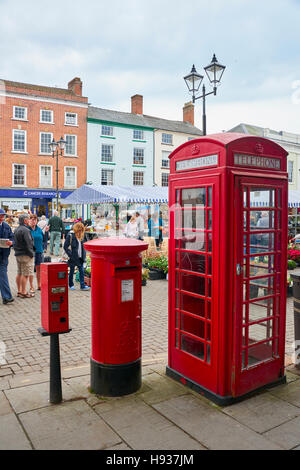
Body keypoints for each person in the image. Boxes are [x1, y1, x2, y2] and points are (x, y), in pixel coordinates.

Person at [63, 222, 90, 291]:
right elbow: (65, 246)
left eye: (82, 230)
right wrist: (70, 254)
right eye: (79, 230)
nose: (80, 232)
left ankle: (82, 285)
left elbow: (85, 245)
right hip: (73, 257)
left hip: (80, 257)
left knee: (81, 271)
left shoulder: (82, 236)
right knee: (71, 271)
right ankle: (71, 285)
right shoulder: (71, 235)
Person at [14, 213, 35, 298]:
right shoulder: (26, 230)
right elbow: (28, 243)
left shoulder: (16, 229)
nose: (30, 220)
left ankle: (19, 290)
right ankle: (23, 291)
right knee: (25, 274)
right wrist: (31, 254)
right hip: (25, 254)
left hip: (18, 253)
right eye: (28, 219)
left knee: (19, 272)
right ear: (25, 220)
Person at [0, 208, 14, 305]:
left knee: (3, 274)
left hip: (4, 255)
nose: (1, 218)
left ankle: (6, 296)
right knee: (2, 275)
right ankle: (6, 296)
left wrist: (11, 242)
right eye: (0, 216)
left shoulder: (6, 226)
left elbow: (12, 237)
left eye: (3, 216)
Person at [29, 214, 44, 292]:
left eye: (35, 219)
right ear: (29, 220)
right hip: (30, 252)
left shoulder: (39, 229)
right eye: (32, 219)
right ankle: (31, 286)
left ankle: (39, 285)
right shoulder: (27, 229)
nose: (33, 221)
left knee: (39, 269)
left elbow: (43, 238)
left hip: (39, 251)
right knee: (31, 269)